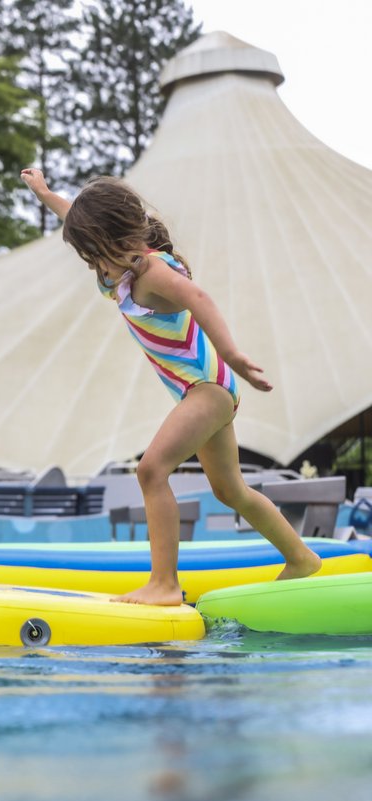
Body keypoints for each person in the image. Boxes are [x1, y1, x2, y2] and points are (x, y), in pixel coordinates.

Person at [20, 167, 322, 605]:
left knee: (151, 470)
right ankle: (301, 559)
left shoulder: (152, 273)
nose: (92, 264)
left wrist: (233, 353)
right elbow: (73, 215)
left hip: (207, 386)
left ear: (116, 237)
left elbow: (198, 298)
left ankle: (164, 584)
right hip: (198, 389)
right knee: (229, 489)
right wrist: (45, 193)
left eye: (94, 253)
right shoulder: (117, 269)